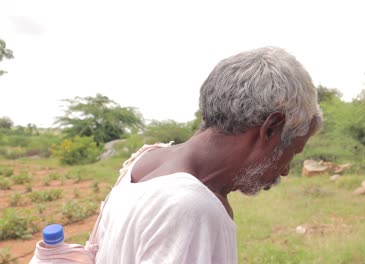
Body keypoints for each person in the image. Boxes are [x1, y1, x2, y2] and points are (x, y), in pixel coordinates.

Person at [94, 47, 322, 263]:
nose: (285, 170)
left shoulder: (145, 160)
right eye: (292, 152)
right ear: (271, 129)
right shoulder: (191, 208)